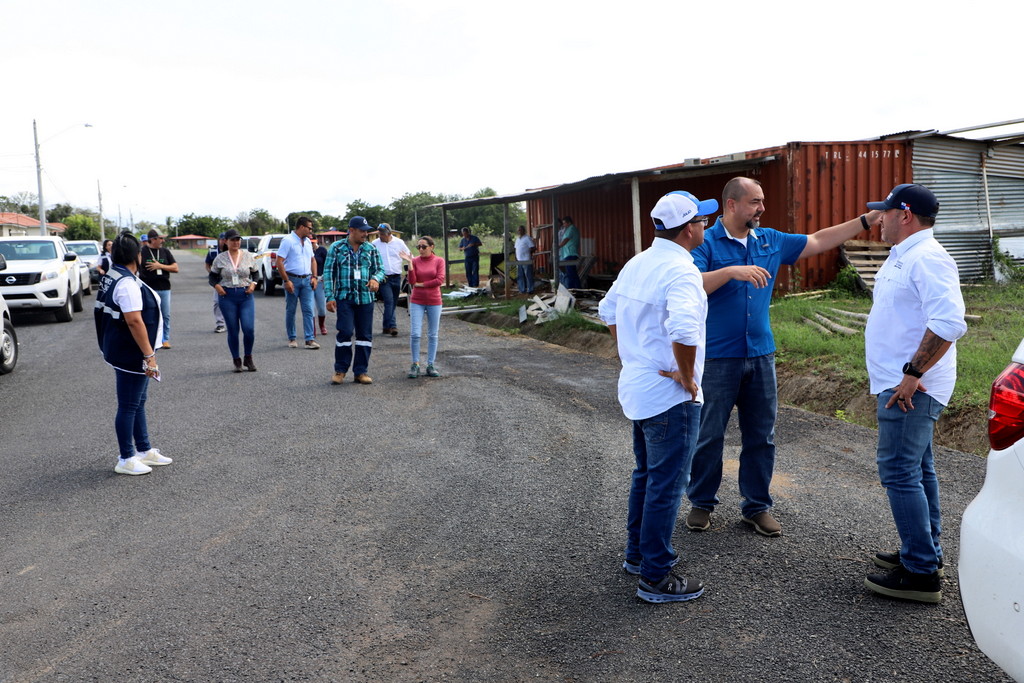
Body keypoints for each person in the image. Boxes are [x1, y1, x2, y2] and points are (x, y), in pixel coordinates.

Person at [685, 177, 881, 537]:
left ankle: (756, 507)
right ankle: (701, 502)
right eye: (754, 202)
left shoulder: (770, 240)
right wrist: (730, 271)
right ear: (731, 205)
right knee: (709, 435)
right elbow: (690, 281)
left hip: (761, 355)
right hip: (717, 358)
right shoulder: (706, 242)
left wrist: (864, 221)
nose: (761, 208)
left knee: (761, 435)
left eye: (761, 202)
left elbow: (819, 239)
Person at [597, 190, 714, 604]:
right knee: (666, 484)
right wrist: (686, 374)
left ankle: (637, 556)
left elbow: (607, 311)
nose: (706, 225)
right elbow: (684, 329)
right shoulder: (682, 271)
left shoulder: (639, 262)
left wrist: (632, 353)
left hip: (639, 386)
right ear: (688, 229)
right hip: (669, 395)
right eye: (702, 220)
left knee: (646, 476)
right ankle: (656, 576)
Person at [861, 184, 966, 603]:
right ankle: (925, 551)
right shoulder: (902, 255)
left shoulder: (928, 258)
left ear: (904, 214)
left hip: (911, 388)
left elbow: (950, 322)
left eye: (884, 212)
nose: (878, 219)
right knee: (918, 469)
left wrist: (912, 373)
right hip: (901, 382)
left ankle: (921, 573)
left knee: (899, 471)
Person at [94, 231, 172, 476]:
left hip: (121, 349)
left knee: (138, 402)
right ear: (136, 256)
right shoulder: (126, 283)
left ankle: (144, 449)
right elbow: (134, 321)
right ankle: (126, 457)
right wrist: (149, 355)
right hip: (130, 353)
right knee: (128, 405)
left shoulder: (114, 274)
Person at [324, 216, 385, 385]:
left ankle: (361, 372)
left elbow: (380, 269)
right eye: (362, 230)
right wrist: (329, 296)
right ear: (351, 230)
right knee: (344, 332)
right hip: (345, 298)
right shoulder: (336, 248)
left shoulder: (370, 249)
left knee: (364, 335)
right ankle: (340, 370)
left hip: (365, 298)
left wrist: (375, 279)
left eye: (367, 231)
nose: (365, 234)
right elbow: (328, 273)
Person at [209, 229, 259, 372]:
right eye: (233, 240)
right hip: (227, 295)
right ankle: (236, 360)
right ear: (226, 241)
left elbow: (255, 274)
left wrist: (253, 284)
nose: (236, 242)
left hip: (245, 295)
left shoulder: (248, 256)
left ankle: (248, 358)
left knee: (248, 328)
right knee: (233, 330)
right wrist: (217, 286)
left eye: (238, 240)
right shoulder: (220, 258)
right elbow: (212, 277)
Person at [401, 236, 445, 378]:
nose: (421, 249)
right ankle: (415, 364)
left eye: (424, 247)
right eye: (418, 247)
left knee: (433, 334)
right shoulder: (414, 261)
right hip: (417, 301)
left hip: (434, 301)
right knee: (415, 334)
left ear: (432, 247)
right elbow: (412, 281)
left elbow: (439, 279)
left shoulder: (439, 261)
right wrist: (410, 263)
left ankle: (430, 364)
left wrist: (422, 284)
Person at [277, 217, 320, 349]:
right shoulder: (288, 241)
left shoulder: (307, 242)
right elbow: (279, 262)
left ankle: (309, 339)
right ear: (301, 227)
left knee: (308, 309)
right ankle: (292, 338)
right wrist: (286, 280)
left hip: (307, 279)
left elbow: (313, 260)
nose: (310, 231)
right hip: (292, 279)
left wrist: (314, 277)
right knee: (291, 310)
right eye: (309, 228)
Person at [138, 229, 178, 349]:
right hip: (148, 288)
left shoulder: (165, 251)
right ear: (153, 239)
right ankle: (150, 340)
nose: (163, 241)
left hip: (164, 287)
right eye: (160, 238)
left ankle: (164, 339)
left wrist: (159, 266)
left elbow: (175, 268)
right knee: (149, 314)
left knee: (165, 315)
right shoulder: (142, 251)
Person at [371, 223, 411, 336]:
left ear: (389, 233)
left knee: (393, 302)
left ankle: (386, 326)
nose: (380, 235)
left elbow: (409, 255)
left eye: (382, 233)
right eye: (379, 233)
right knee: (389, 301)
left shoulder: (399, 243)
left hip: (396, 276)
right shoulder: (375, 244)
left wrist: (409, 262)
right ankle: (393, 326)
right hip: (383, 277)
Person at [205, 233, 228, 334]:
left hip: (231, 280)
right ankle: (220, 324)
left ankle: (233, 323)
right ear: (219, 240)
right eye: (222, 239)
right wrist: (212, 275)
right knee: (217, 302)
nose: (223, 241)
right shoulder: (213, 251)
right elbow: (207, 264)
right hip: (218, 280)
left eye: (225, 239)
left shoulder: (231, 251)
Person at [557, 216, 581, 289]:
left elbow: (566, 240)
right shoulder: (569, 229)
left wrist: (557, 247)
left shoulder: (571, 229)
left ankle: (573, 289)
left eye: (564, 223)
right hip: (567, 253)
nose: (563, 225)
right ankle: (575, 289)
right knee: (571, 272)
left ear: (569, 222)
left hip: (570, 253)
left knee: (571, 273)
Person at [312, 235, 328, 335]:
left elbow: (328, 265)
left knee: (321, 307)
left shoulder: (322, 250)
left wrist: (326, 278)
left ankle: (322, 325)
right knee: (311, 307)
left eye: (312, 241)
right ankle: (312, 328)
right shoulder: (305, 250)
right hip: (309, 281)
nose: (311, 244)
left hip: (320, 280)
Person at [514, 225, 536, 294]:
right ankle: (522, 290)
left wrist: (528, 253)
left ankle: (530, 289)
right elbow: (516, 249)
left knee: (528, 275)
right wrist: (516, 257)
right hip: (519, 260)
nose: (519, 231)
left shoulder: (527, 238)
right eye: (518, 230)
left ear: (524, 230)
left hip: (526, 259)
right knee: (520, 276)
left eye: (520, 230)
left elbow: (533, 247)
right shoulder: (517, 239)